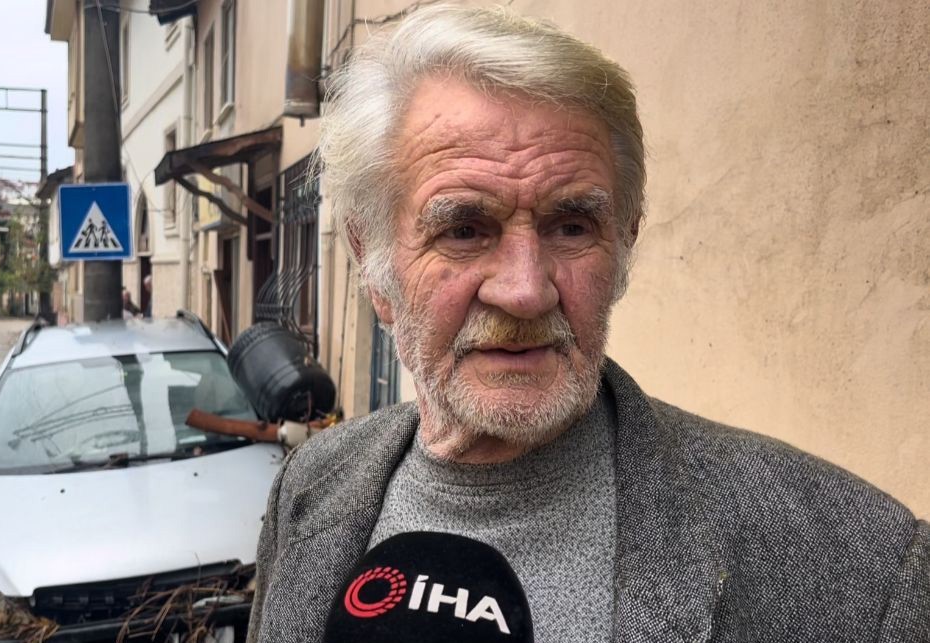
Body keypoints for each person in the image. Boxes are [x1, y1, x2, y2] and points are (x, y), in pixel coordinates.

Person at [246, 6, 929, 643]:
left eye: (571, 226)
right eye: (464, 229)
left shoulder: (865, 567)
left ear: (624, 242)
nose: (525, 291)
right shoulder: (310, 487)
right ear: (373, 262)